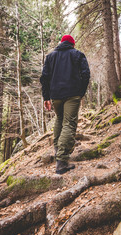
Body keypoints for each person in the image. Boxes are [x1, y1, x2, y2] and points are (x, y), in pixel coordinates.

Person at [40, 35, 90, 174]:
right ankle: (61, 161)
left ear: (61, 43)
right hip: (72, 94)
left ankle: (58, 153)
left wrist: (46, 97)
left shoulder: (51, 56)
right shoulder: (78, 54)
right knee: (69, 123)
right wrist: (81, 92)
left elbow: (44, 78)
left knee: (60, 120)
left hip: (56, 95)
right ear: (72, 44)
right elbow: (86, 74)